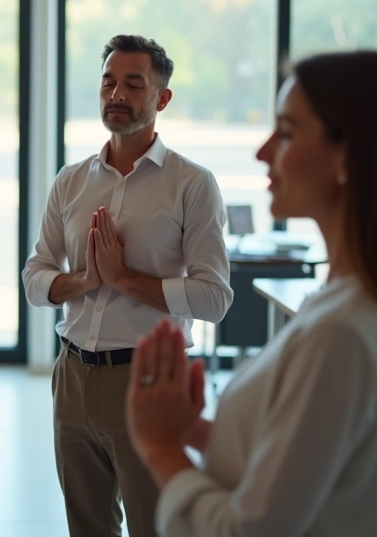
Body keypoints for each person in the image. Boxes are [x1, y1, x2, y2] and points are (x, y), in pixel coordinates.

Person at [126, 50, 377, 536]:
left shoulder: (341, 335)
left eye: (286, 132)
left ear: (346, 154)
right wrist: (192, 431)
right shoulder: (355, 305)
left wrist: (161, 450)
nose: (263, 151)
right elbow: (305, 471)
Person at [22, 34, 233, 536]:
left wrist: (123, 280)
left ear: (161, 99)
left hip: (149, 379)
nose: (116, 93)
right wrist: (83, 281)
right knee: (87, 526)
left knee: (152, 525)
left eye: (133, 84)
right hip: (72, 377)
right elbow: (34, 278)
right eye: (108, 82)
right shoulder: (70, 181)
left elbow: (215, 297)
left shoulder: (192, 184)